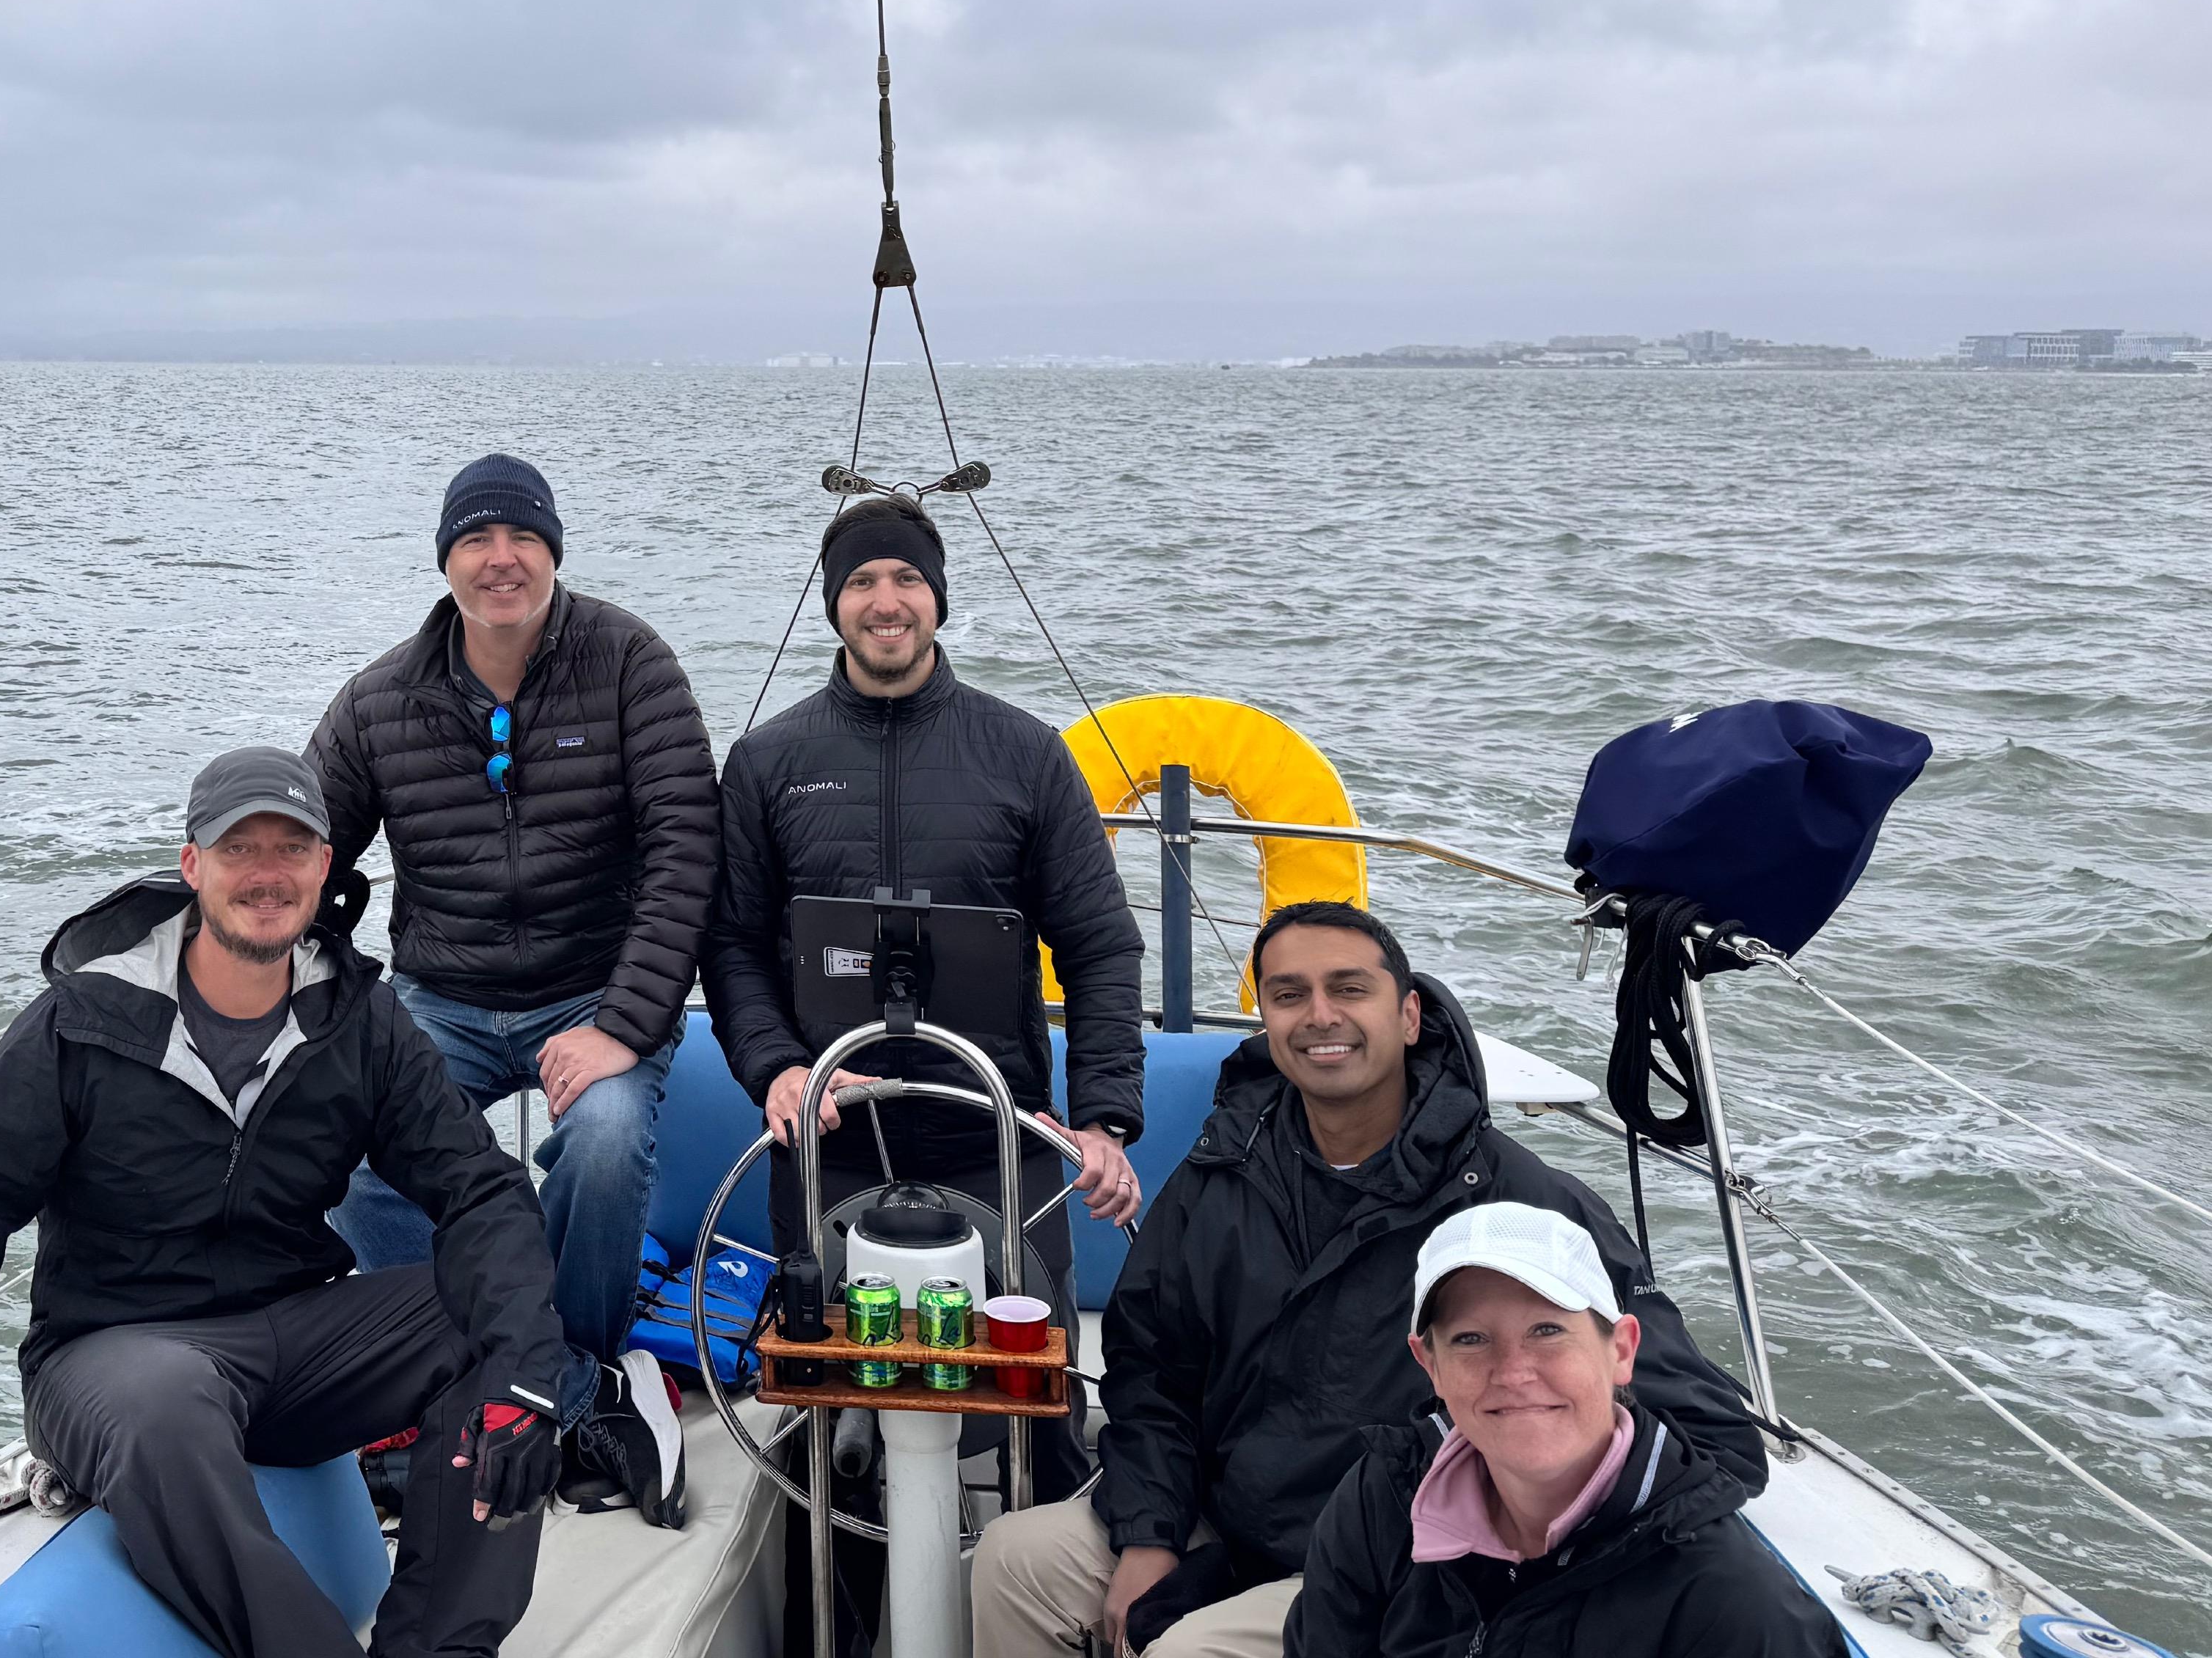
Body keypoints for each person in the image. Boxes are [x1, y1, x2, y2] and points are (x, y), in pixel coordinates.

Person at [0, 750, 571, 1658]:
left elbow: (478, 1189)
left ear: (325, 867)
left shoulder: (357, 1018)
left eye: (291, 847)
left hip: (292, 1334)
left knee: (496, 1327)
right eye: (239, 846)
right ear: (192, 864)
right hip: (113, 1353)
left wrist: (524, 1375)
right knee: (165, 1398)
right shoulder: (81, 1023)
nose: (267, 872)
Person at [970, 903, 1768, 1658]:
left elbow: (1711, 1435)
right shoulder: (1223, 1171)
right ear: (1268, 1022)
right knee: (1013, 1560)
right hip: (1225, 1515)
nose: (1319, 1013)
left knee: (1189, 1649)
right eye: (1288, 994)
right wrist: (1150, 1532)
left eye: (1349, 987)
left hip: (1405, 1560)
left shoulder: (1519, 1201)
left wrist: (1509, 1578)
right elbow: (1153, 1369)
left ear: (1409, 1013)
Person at [704, 494, 1149, 1651]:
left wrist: (1102, 1117)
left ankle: (1054, 1617)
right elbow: (734, 948)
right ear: (833, 602)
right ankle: (831, 1625)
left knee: (1039, 1389)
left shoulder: (1023, 755)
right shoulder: (768, 760)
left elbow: (1101, 945)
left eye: (905, 579)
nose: (884, 602)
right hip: (828, 1134)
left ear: (937, 598)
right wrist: (776, 1067)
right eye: (860, 582)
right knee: (818, 1391)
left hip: (990, 1136)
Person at [310, 451, 719, 1525]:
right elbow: (305, 860)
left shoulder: (632, 663)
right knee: (346, 1142)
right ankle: (502, 1368)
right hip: (439, 995)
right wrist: (317, 1000)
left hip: (596, 990)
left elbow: (688, 853)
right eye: (476, 541)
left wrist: (624, 1027)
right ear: (445, 560)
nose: (501, 561)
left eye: (522, 538)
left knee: (603, 1131)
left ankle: (571, 1360)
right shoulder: (378, 700)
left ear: (553, 550)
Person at [1282, 1203, 1849, 1654]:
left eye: (1547, 1330)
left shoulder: (1735, 1609)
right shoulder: (1385, 1493)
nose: (1512, 1372)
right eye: (1470, 1339)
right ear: (1429, 1365)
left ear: (1621, 1350)